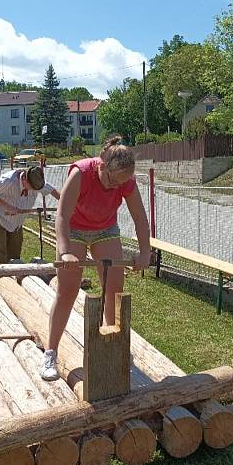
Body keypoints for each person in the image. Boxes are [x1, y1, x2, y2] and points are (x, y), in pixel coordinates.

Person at [41, 135, 151, 381]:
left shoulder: (124, 181)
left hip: (105, 229)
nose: (116, 188)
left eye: (121, 183)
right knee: (67, 291)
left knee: (114, 288)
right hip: (74, 228)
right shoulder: (80, 173)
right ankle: (50, 352)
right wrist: (65, 250)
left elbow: (140, 219)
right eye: (113, 182)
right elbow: (61, 216)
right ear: (102, 165)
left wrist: (145, 252)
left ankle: (111, 343)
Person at [0, 165, 60, 263]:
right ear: (24, 178)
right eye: (31, 188)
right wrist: (8, 207)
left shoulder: (37, 182)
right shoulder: (8, 180)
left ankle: (13, 274)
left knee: (15, 252)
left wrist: (68, 204)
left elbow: (54, 192)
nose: (34, 190)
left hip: (16, 222)